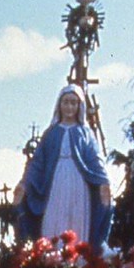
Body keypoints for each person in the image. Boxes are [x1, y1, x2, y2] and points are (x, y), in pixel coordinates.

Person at [14, 82, 112, 249]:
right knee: (54, 218)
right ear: (59, 105)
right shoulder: (51, 133)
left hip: (79, 183)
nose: (69, 107)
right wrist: (24, 184)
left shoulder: (85, 133)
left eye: (73, 103)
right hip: (55, 183)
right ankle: (52, 259)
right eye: (66, 102)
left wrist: (104, 181)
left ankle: (77, 263)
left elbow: (95, 160)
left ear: (79, 106)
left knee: (77, 220)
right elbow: (37, 163)